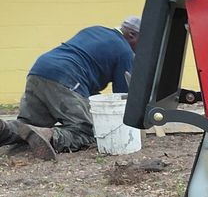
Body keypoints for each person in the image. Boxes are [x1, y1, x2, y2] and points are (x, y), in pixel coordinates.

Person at [0, 17, 139, 160]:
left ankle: (4, 129)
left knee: (27, 126)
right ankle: (48, 135)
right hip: (66, 77)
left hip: (39, 70)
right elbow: (123, 97)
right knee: (87, 132)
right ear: (131, 35)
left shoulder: (95, 30)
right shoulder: (125, 51)